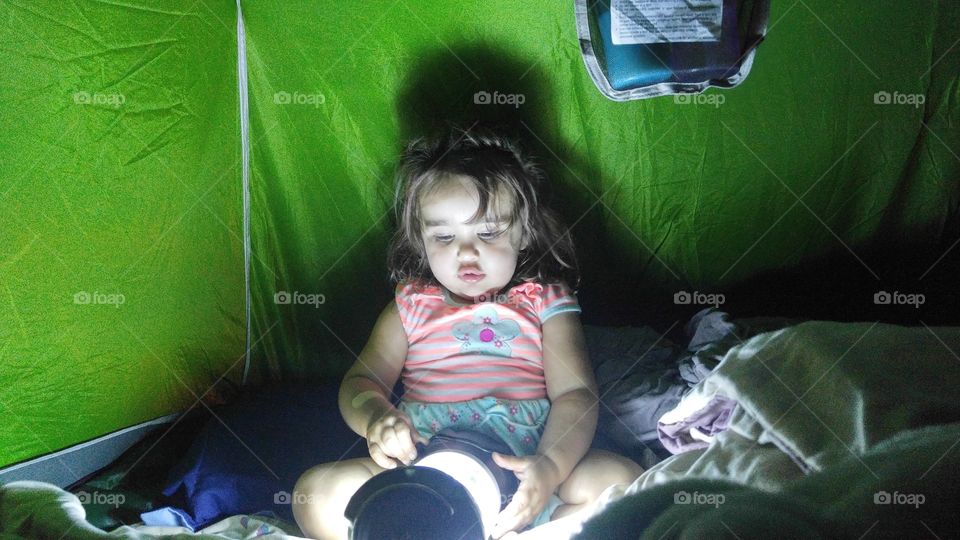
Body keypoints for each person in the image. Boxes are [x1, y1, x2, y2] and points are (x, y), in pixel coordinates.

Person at [292, 129, 643, 540]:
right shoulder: (410, 306)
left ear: (523, 233)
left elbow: (575, 395)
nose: (466, 252)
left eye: (488, 233)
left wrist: (548, 468)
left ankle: (525, 530)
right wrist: (377, 418)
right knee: (312, 496)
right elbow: (361, 381)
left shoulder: (545, 302)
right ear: (421, 242)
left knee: (623, 482)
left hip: (525, 461)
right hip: (423, 462)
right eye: (444, 237)